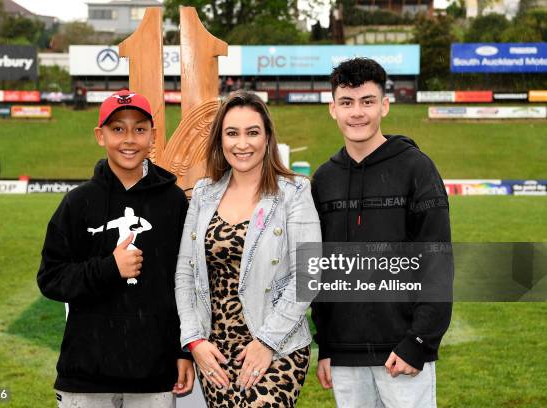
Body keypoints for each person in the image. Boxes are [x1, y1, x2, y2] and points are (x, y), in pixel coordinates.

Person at [37, 90, 194, 408]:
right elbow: (51, 277)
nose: (129, 139)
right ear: (100, 135)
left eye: (139, 129)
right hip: (87, 375)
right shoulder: (78, 202)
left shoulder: (174, 202)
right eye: (118, 128)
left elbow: (186, 283)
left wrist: (182, 351)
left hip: (153, 373)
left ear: (153, 135)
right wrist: (110, 267)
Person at [311, 58, 452, 408]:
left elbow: (437, 263)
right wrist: (326, 345)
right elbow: (320, 269)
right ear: (332, 109)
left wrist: (418, 341)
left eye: (367, 101)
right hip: (345, 355)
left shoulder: (417, 168)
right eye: (346, 102)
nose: (356, 112)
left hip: (402, 352)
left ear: (384, 105)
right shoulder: (323, 179)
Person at [175, 90, 321, 407]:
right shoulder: (203, 193)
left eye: (252, 132)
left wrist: (266, 342)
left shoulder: (294, 191)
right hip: (215, 354)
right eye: (232, 133)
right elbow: (185, 275)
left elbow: (308, 275)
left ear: (267, 138)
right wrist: (195, 341)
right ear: (220, 140)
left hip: (276, 347)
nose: (242, 144)